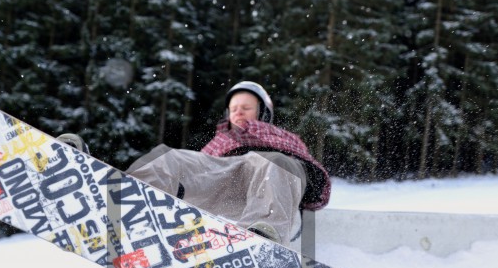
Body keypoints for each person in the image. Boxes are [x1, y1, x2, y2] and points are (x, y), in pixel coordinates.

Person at [62, 81, 330, 248]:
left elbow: (313, 179)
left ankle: (262, 238)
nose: (238, 111)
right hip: (227, 180)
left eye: (246, 107)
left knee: (274, 162)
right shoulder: (221, 141)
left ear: (264, 112)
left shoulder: (284, 138)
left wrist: (298, 180)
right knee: (170, 157)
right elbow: (201, 168)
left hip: (272, 186)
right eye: (234, 108)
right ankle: (120, 197)